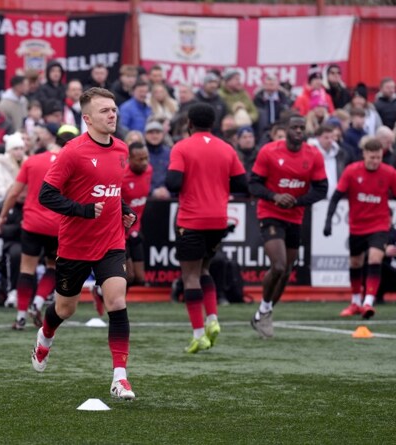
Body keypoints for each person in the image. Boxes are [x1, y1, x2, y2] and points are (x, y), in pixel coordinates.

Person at [33, 87, 137, 400]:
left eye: (114, 109)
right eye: (105, 111)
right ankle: (45, 335)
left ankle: (120, 378)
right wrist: (82, 210)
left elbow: (112, 190)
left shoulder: (121, 149)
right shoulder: (72, 152)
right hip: (75, 244)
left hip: (111, 241)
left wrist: (125, 210)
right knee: (66, 308)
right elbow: (46, 195)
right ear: (87, 119)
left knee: (116, 302)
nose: (112, 114)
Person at [165, 103, 247, 353]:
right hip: (218, 220)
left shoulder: (182, 147)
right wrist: (217, 187)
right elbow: (243, 184)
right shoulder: (227, 148)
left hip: (191, 220)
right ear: (213, 123)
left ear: (189, 123)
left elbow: (172, 183)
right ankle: (213, 318)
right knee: (205, 270)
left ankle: (199, 334)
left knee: (190, 276)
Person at [248, 115, 328, 338]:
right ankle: (264, 310)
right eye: (295, 127)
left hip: (295, 216)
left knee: (286, 272)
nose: (299, 131)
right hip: (270, 212)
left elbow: (322, 188)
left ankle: (264, 312)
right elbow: (253, 183)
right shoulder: (269, 151)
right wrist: (275, 196)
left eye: (302, 127)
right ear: (285, 130)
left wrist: (298, 200)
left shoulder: (313, 155)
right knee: (280, 265)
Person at [0, 129, 67, 330]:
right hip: (57, 225)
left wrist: (2, 217)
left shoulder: (32, 160)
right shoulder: (70, 163)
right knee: (53, 267)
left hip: (33, 223)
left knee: (27, 269)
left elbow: (13, 192)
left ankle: (20, 317)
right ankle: (38, 301)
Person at [324, 137, 396, 319]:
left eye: (379, 158)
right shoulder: (351, 171)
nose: (375, 161)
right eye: (372, 157)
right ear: (364, 154)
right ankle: (355, 301)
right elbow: (336, 196)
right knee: (355, 263)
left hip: (379, 225)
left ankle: (368, 303)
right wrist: (328, 221)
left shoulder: (389, 173)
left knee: (374, 257)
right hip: (357, 226)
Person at [121, 142, 153, 287]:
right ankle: (108, 298)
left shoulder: (149, 171)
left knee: (140, 278)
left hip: (135, 228)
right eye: (140, 159)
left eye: (146, 158)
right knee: (128, 276)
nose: (144, 163)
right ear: (130, 159)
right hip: (120, 230)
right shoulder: (121, 175)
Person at [0, 132, 27, 197]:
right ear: (9, 150)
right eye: (15, 149)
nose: (19, 152)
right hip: (5, 200)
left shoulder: (26, 163)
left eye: (21, 148)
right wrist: (10, 194)